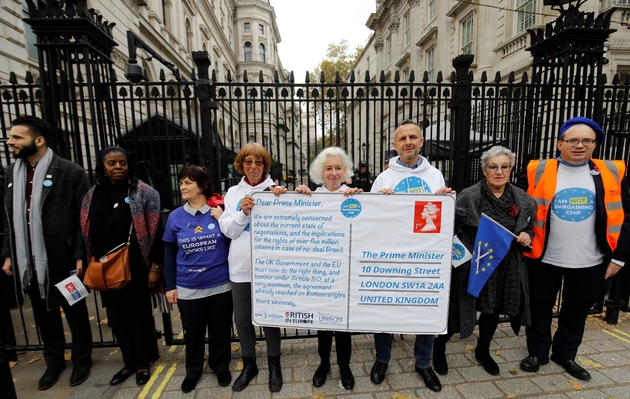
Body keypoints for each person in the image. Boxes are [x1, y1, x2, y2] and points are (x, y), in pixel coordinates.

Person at [518, 117, 630, 380]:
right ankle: (537, 352)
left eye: (587, 140)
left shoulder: (612, 171)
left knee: (576, 310)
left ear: (595, 145)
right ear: (560, 143)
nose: (579, 145)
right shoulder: (538, 169)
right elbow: (517, 206)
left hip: (592, 258)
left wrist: (620, 257)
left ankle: (565, 354)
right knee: (539, 308)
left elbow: (626, 215)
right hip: (544, 256)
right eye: (572, 140)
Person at [1, 116, 92, 390]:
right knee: (43, 314)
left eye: (17, 137)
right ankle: (54, 361)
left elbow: (84, 218)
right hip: (27, 260)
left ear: (38, 140)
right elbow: (8, 218)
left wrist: (79, 254)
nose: (10, 141)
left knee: (75, 310)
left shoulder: (70, 171)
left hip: (62, 258)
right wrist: (7, 254)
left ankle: (82, 359)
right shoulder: (11, 174)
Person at [432, 146, 536, 376]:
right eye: (493, 167)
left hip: (506, 263)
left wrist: (528, 234)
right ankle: (438, 348)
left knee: (493, 309)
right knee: (459, 309)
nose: (499, 171)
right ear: (484, 170)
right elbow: (450, 228)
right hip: (474, 262)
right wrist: (458, 258)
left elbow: (528, 226)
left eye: (504, 166)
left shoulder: (524, 200)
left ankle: (483, 350)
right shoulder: (468, 196)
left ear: (511, 169)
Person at [369, 119, 455, 392]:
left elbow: (440, 218)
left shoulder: (435, 175)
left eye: (413, 137)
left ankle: (423, 362)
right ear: (394, 145)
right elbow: (370, 219)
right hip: (391, 254)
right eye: (402, 138)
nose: (408, 142)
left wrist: (446, 199)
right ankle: (382, 359)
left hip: (425, 256)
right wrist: (380, 203)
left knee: (426, 306)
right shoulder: (384, 178)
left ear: (421, 142)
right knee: (384, 308)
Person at [80, 146, 166, 386]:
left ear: (129, 164)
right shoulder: (92, 194)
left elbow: (157, 231)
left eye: (122, 163)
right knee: (117, 319)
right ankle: (128, 363)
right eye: (111, 163)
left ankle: (142, 363)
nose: (118, 167)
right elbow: (86, 232)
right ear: (103, 167)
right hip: (103, 266)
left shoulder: (144, 193)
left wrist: (155, 266)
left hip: (136, 265)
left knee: (139, 317)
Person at [219, 143, 287, 392]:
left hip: (270, 268)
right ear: (241, 164)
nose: (254, 166)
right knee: (243, 320)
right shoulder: (233, 193)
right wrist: (242, 213)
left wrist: (291, 197)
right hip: (240, 267)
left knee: (270, 318)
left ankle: (274, 366)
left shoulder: (276, 191)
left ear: (265, 165)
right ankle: (250, 365)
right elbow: (228, 230)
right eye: (248, 161)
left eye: (259, 162)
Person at [294, 147, 362, 390]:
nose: (334, 173)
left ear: (345, 171)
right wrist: (296, 195)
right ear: (320, 172)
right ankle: (324, 364)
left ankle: (344, 366)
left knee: (344, 328)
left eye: (338, 168)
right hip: (321, 276)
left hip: (346, 275)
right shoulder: (311, 196)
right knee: (323, 326)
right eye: (328, 168)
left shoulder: (356, 196)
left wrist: (366, 199)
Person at [163, 165, 233, 393]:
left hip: (220, 284)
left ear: (202, 187)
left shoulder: (221, 210)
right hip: (188, 287)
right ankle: (193, 371)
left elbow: (234, 240)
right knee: (192, 333)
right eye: (181, 182)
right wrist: (171, 286)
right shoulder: (175, 217)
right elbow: (169, 253)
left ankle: (220, 366)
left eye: (188, 182)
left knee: (220, 330)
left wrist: (222, 218)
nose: (182, 186)